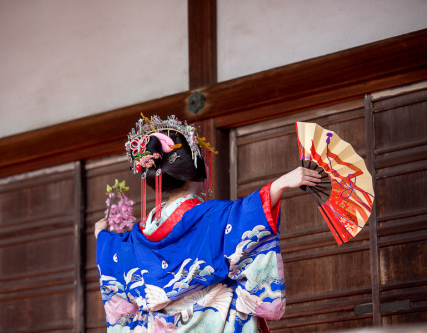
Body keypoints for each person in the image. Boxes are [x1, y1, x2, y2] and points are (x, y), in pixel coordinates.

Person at [95, 114, 321, 332]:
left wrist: (100, 236)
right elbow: (245, 217)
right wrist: (279, 185)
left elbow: (113, 254)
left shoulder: (138, 237)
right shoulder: (210, 217)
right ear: (196, 170)